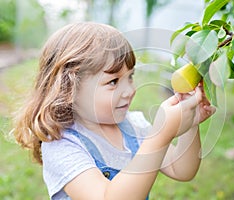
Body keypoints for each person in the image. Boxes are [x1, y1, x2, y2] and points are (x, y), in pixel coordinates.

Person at [13, 22, 215, 200]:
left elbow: (182, 170)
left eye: (130, 77)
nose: (129, 90)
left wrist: (190, 125)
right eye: (113, 81)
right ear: (69, 89)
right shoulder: (63, 146)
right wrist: (161, 135)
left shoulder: (135, 127)